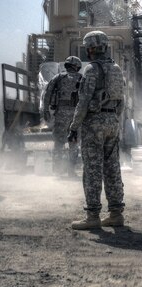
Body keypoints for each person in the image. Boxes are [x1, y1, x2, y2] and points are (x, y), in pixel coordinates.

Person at [67, 31, 125, 230]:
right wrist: (115, 120)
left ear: (89, 49)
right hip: (112, 121)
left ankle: (92, 216)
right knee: (112, 168)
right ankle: (116, 214)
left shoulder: (91, 70)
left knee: (92, 169)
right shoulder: (117, 69)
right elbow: (122, 100)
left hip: (94, 124)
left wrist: (74, 127)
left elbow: (83, 102)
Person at [42, 56, 82, 177]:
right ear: (76, 66)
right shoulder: (81, 78)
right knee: (73, 143)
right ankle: (71, 171)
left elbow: (47, 93)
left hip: (60, 114)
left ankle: (57, 170)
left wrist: (45, 109)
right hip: (76, 115)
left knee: (58, 143)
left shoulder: (58, 78)